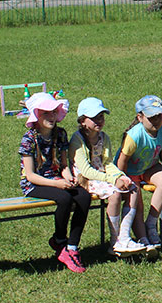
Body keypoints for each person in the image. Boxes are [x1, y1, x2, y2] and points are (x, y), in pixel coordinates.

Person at [18, 92, 90, 273]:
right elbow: (30, 176)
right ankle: (59, 241)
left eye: (53, 112)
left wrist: (68, 177)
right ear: (36, 116)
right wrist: (57, 184)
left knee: (84, 196)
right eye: (46, 114)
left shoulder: (61, 134)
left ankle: (72, 247)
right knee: (64, 198)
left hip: (56, 179)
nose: (51, 117)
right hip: (34, 184)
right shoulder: (29, 139)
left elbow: (63, 165)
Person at [69, 97, 145, 258]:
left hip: (102, 175)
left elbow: (108, 162)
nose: (99, 120)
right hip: (86, 178)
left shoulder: (104, 137)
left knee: (132, 188)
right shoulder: (77, 139)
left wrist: (120, 176)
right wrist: (112, 180)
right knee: (115, 193)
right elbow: (86, 170)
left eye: (101, 116)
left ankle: (124, 236)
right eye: (94, 117)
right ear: (83, 121)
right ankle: (115, 240)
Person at [115, 96, 162, 256]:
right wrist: (122, 179)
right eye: (151, 117)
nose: (156, 120)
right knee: (137, 202)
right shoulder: (134, 135)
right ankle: (143, 239)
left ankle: (151, 224)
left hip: (149, 167)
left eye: (159, 116)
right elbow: (122, 161)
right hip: (130, 171)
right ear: (140, 117)